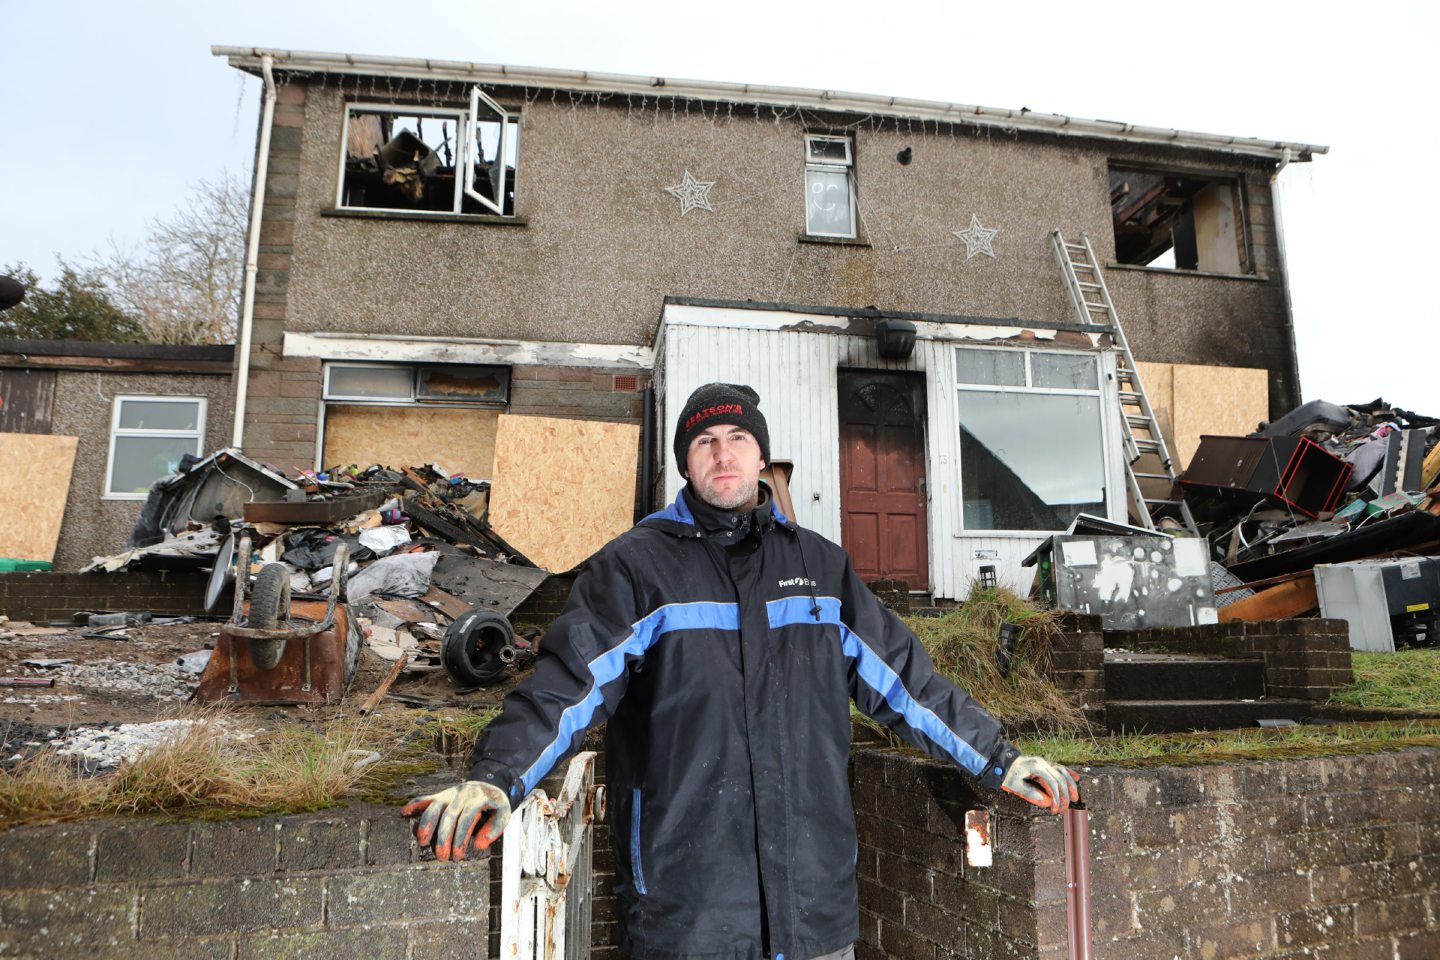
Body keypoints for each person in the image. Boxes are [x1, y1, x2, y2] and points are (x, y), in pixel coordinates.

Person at [404, 382, 1079, 960]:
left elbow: (907, 684)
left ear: (761, 455)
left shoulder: (820, 568)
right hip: (687, 906)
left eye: (736, 438)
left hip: (811, 904)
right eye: (704, 443)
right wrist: (496, 779)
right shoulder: (636, 569)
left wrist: (1000, 759)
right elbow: (565, 688)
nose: (722, 453)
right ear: (685, 465)